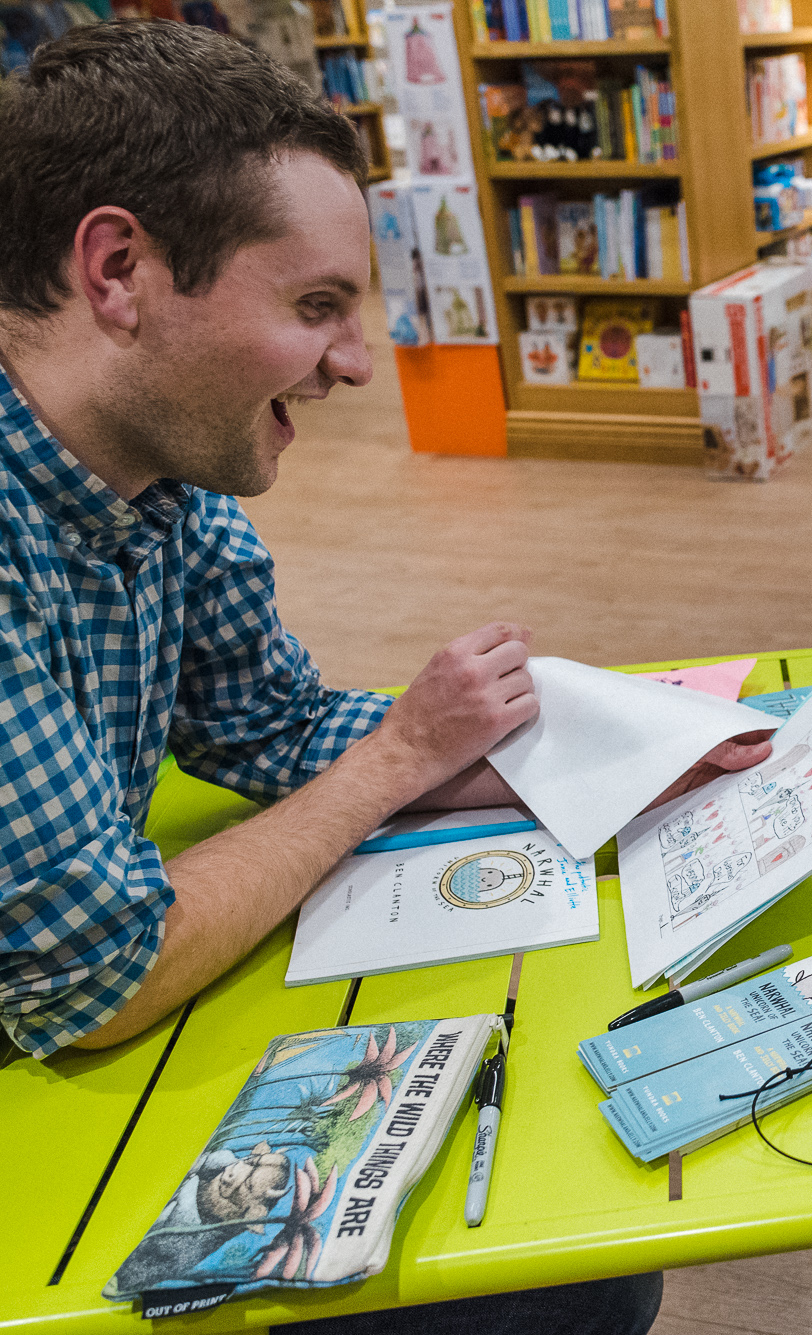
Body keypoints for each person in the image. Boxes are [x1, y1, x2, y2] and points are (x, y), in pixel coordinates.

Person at [0, 23, 763, 1333]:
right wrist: (404, 758)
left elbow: (276, 724)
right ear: (120, 269)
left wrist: (612, 749)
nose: (357, 364)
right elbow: (101, 973)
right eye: (314, 308)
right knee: (565, 1280)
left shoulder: (164, 493)